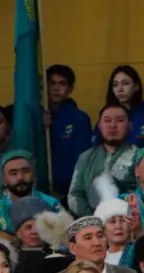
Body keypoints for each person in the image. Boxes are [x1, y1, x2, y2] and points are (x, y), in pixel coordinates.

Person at [68, 105, 138, 217]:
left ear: (129, 125)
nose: (113, 125)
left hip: (127, 222)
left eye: (119, 120)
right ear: (99, 126)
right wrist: (93, 219)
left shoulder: (139, 156)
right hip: (92, 223)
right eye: (107, 121)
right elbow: (75, 194)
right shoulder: (85, 157)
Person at [46, 65, 92, 197]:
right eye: (52, 83)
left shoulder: (80, 118)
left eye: (62, 84)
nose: (56, 88)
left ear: (70, 89)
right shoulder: (36, 117)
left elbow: (83, 157)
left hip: (71, 191)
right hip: (42, 190)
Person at [0, 151, 63, 233]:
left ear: (33, 174)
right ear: (4, 180)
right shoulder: (1, 208)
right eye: (13, 173)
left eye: (25, 171)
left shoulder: (51, 203)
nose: (20, 177)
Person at [6, 198, 54, 273]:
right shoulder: (8, 260)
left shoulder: (59, 257)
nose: (35, 232)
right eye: (28, 227)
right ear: (18, 232)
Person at [104, 65, 144, 147]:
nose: (120, 89)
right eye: (115, 85)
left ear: (136, 86)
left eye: (125, 83)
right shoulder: (106, 117)